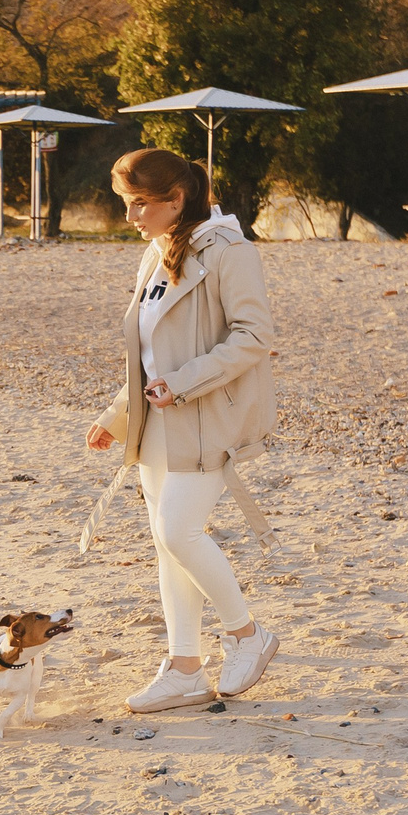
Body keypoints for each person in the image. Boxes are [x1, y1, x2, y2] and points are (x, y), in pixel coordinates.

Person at [84, 147, 281, 712]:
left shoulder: (229, 251)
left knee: (178, 533)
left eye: (140, 204)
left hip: (207, 418)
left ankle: (248, 635)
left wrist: (186, 383)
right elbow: (149, 351)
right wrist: (118, 415)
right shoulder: (155, 252)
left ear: (178, 198)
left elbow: (254, 335)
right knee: (168, 548)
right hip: (157, 423)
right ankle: (185, 666)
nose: (131, 218)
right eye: (125, 204)